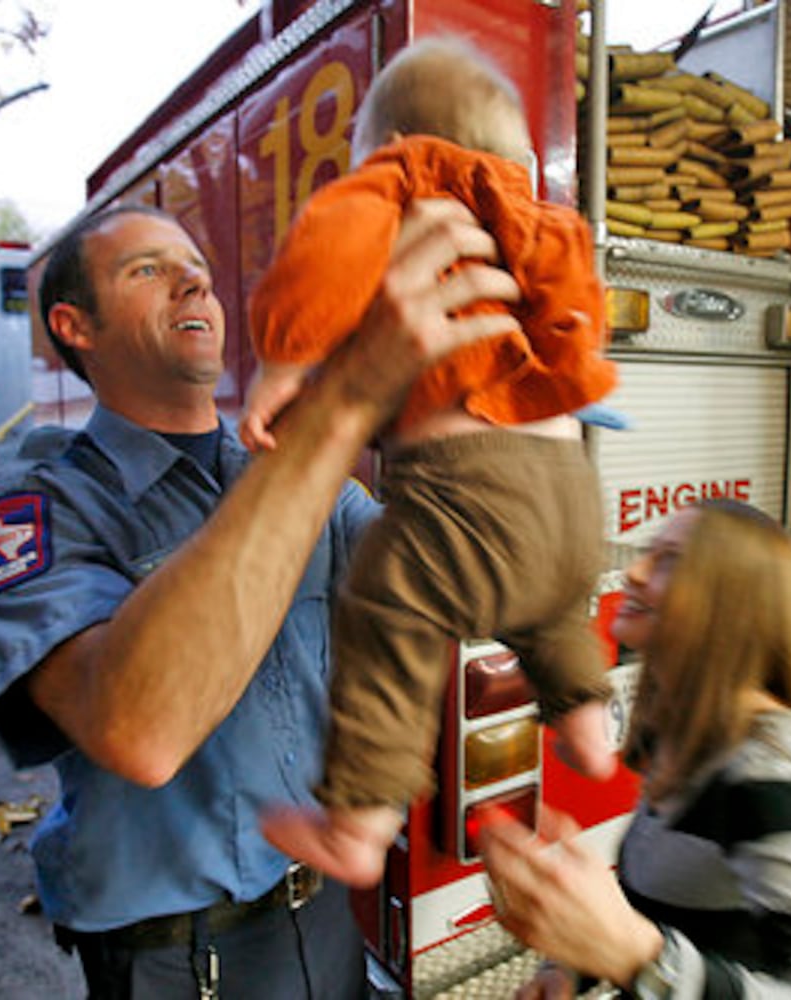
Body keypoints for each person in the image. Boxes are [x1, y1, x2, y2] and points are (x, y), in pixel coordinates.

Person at [0, 198, 527, 998]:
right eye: (148, 269)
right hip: (178, 953)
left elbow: (466, 585)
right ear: (75, 326)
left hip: (321, 910)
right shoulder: (44, 506)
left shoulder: (292, 478)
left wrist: (484, 398)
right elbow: (140, 732)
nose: (192, 281)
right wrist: (343, 400)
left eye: (196, 268)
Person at [248, 37, 620, 889]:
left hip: (468, 492)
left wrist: (284, 360)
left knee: (386, 609)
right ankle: (590, 728)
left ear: (389, 142)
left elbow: (325, 258)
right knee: (555, 615)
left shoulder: (402, 180)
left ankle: (361, 821)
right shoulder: (536, 216)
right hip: (569, 497)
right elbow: (579, 322)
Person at [481, 499, 791, 999]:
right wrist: (570, 968)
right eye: (648, 553)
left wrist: (638, 959)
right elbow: (672, 905)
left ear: (732, 607)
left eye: (669, 561)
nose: (634, 573)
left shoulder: (765, 773)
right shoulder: (687, 731)